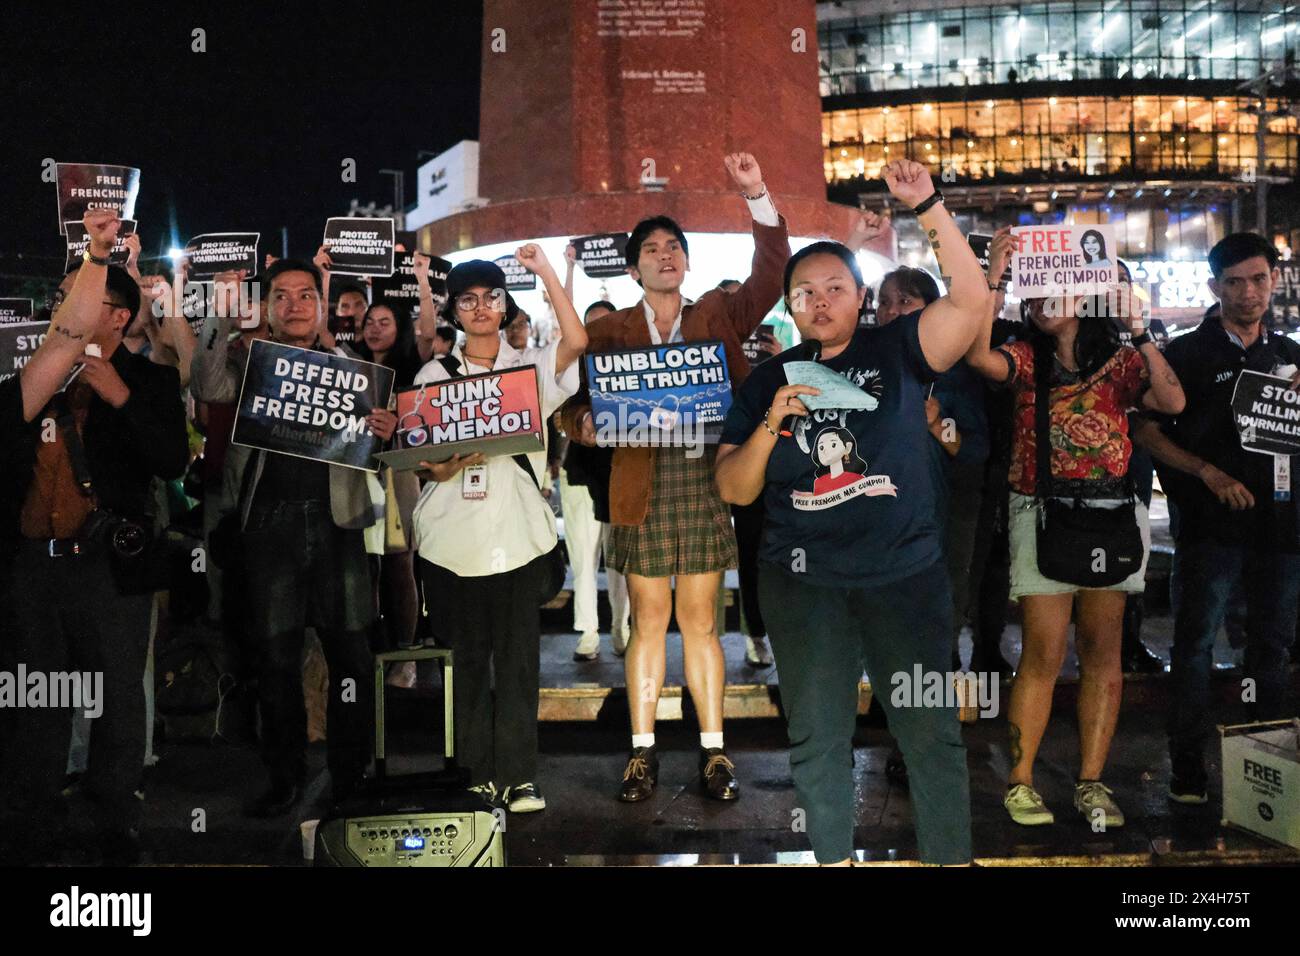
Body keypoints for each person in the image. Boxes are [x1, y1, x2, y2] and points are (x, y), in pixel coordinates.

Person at [714, 159, 987, 865]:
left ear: (860, 295)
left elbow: (972, 299)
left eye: (836, 286)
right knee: (818, 741)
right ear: (791, 308)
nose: (821, 299)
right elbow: (735, 489)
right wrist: (773, 421)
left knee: (930, 736)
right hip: (804, 586)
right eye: (805, 292)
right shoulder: (767, 380)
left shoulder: (899, 347)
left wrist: (927, 203)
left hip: (906, 580)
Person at [558, 152, 789, 803]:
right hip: (640, 488)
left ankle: (715, 754)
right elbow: (571, 403)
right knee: (648, 622)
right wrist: (586, 427)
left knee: (702, 624)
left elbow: (771, 275)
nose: (665, 256)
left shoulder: (717, 314)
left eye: (674, 248)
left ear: (685, 262)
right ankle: (642, 755)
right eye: (652, 250)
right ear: (633, 268)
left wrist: (757, 194)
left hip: (706, 482)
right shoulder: (608, 331)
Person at [965, 227, 1185, 828]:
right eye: (1034, 295)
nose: (1043, 300)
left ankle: (1091, 782)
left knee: (1102, 654)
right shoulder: (1025, 358)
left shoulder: (1119, 361)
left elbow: (1171, 403)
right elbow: (977, 356)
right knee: (1042, 651)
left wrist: (1138, 326)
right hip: (1040, 511)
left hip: (1112, 512)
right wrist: (994, 278)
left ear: (1086, 295)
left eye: (1056, 288)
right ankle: (1020, 781)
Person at [0, 209, 189, 864]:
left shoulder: (150, 381)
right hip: (32, 563)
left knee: (113, 698)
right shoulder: (32, 381)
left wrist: (122, 400)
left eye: (82, 300)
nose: (66, 309)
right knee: (37, 694)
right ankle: (33, 815)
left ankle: (110, 818)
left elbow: (172, 462)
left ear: (116, 316)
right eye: (60, 299)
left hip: (107, 564)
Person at [410, 248, 587, 813]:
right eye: (468, 300)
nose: (481, 308)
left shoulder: (530, 367)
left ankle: (519, 777)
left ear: (505, 304)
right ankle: (474, 776)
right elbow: (421, 457)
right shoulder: (434, 374)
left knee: (518, 664)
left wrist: (549, 274)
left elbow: (577, 343)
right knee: (465, 664)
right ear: (454, 312)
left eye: (491, 297)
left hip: (518, 538)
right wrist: (437, 468)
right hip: (451, 541)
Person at [1130, 232, 1300, 805]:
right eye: (1235, 282)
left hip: (1281, 531)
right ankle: (1189, 768)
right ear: (1214, 287)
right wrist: (1206, 472)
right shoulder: (1184, 355)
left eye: (1259, 279)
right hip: (1208, 531)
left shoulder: (1291, 358)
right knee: (1196, 645)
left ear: (1273, 281)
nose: (1249, 292)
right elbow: (1147, 431)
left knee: (1270, 649)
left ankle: (1264, 768)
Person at [225, 258, 397, 818]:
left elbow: (386, 444)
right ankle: (285, 777)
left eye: (305, 295)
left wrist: (386, 428)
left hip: (336, 523)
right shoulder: (246, 357)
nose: (294, 305)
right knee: (276, 660)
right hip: (268, 526)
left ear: (322, 308)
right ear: (267, 306)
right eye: (282, 296)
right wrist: (223, 324)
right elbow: (202, 383)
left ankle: (352, 775)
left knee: (351, 656)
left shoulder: (349, 369)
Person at [354, 302, 426, 684]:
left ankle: (406, 653)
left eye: (385, 322)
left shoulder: (414, 372)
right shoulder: (350, 365)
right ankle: (370, 650)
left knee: (400, 565)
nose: (375, 329)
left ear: (401, 329)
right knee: (365, 565)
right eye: (369, 322)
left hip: (397, 475)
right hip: (359, 476)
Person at [561, 290, 633, 660]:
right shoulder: (571, 368)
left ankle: (622, 628)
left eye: (607, 323)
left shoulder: (634, 370)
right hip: (579, 473)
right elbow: (560, 413)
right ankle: (588, 632)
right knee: (583, 557)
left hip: (620, 474)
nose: (599, 332)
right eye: (592, 325)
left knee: (619, 558)